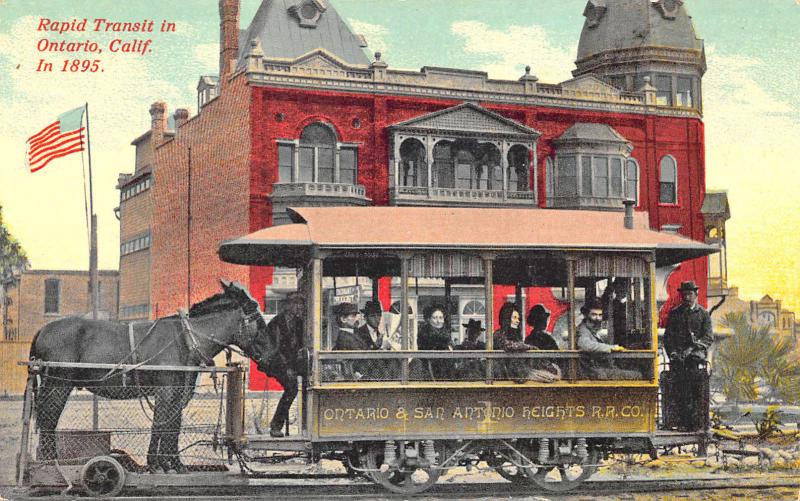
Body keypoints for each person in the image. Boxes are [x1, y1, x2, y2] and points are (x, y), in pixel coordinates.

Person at [254, 291, 305, 438]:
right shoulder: (277, 323)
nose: (298, 307)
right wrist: (287, 368)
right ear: (287, 306)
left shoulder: (299, 322)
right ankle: (276, 426)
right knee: (292, 388)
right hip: (276, 363)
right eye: (295, 304)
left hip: (293, 363)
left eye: (300, 304)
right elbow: (275, 350)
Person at [663, 280, 713, 431]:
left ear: (696, 295)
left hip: (695, 360)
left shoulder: (703, 314)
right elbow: (668, 337)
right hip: (679, 361)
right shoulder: (675, 313)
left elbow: (708, 337)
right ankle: (682, 424)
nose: (687, 297)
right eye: (684, 294)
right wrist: (672, 353)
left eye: (690, 294)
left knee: (698, 393)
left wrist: (693, 349)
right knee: (681, 393)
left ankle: (699, 425)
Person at [494, 302, 559, 383]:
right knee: (549, 378)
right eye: (514, 317)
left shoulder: (515, 335)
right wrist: (529, 347)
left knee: (552, 377)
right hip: (508, 374)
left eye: (518, 318)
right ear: (506, 318)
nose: (517, 321)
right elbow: (508, 346)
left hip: (521, 371)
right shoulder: (499, 334)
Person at [576, 297, 640, 380]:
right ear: (586, 315)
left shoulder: (591, 330)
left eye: (600, 315)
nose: (597, 318)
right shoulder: (583, 330)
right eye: (594, 314)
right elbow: (585, 344)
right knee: (637, 375)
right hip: (592, 372)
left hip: (597, 369)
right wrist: (611, 347)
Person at [417, 304, 453, 379]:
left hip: (446, 367)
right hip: (429, 367)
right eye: (435, 318)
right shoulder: (424, 333)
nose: (438, 321)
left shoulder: (446, 333)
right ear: (429, 319)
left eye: (440, 318)